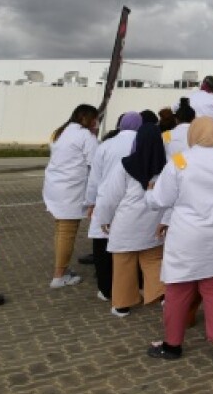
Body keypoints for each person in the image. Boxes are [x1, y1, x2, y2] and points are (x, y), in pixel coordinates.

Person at [145, 116, 213, 365]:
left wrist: (148, 194)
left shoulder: (179, 160)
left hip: (186, 235)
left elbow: (161, 199)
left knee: (178, 290)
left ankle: (173, 345)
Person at [95, 123, 167, 317]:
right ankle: (161, 295)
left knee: (123, 264)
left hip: (126, 224)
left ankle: (122, 305)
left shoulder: (125, 165)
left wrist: (104, 218)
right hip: (153, 223)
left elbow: (110, 197)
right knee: (153, 261)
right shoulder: (166, 167)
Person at [84, 112, 141, 302]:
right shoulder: (144, 143)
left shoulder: (106, 146)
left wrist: (90, 202)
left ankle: (106, 289)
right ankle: (133, 288)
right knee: (132, 249)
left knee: (102, 245)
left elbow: (94, 179)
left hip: (106, 199)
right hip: (134, 201)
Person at [43, 104, 100, 288]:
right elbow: (96, 162)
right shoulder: (85, 136)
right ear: (88, 119)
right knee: (67, 232)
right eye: (95, 119)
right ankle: (59, 276)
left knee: (61, 229)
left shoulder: (61, 132)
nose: (97, 123)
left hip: (55, 186)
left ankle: (61, 270)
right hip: (71, 190)